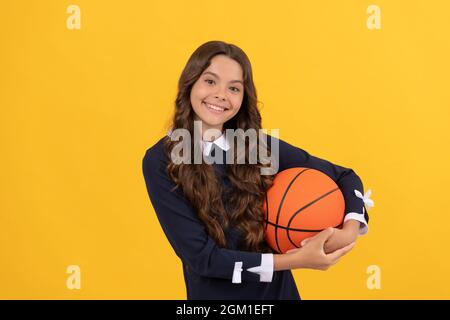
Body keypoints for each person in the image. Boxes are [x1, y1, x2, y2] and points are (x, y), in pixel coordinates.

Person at [142, 40, 373, 300]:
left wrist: (350, 229)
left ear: (243, 97)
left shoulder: (254, 146)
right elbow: (204, 260)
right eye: (210, 81)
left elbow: (345, 176)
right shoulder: (161, 160)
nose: (221, 94)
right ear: (190, 83)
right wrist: (295, 260)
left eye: (234, 88)